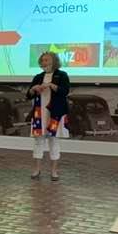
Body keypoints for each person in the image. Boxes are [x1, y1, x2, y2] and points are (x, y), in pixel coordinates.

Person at [27, 51, 70, 181]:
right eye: (42, 60)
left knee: (54, 141)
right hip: (39, 113)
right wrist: (33, 89)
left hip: (55, 113)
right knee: (38, 141)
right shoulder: (38, 76)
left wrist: (51, 85)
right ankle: (37, 170)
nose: (44, 63)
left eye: (47, 60)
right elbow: (29, 95)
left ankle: (54, 171)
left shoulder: (62, 75)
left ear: (54, 61)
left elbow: (65, 91)